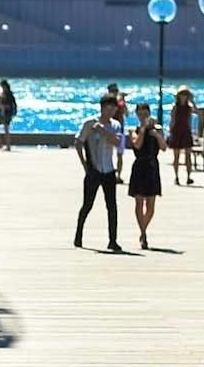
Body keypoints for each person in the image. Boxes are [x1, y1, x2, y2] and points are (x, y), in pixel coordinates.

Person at [71, 94, 123, 252]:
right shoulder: (89, 123)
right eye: (109, 108)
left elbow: (117, 142)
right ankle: (78, 235)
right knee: (87, 204)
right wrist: (85, 165)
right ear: (102, 108)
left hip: (108, 170)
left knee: (112, 206)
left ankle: (112, 240)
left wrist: (102, 130)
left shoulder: (115, 125)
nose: (111, 112)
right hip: (94, 170)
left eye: (114, 109)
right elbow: (78, 142)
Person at [128, 101, 165, 249]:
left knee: (150, 205)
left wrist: (156, 134)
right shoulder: (134, 130)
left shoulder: (157, 130)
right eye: (140, 114)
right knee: (139, 202)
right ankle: (143, 233)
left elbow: (163, 147)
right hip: (139, 165)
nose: (143, 116)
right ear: (137, 115)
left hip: (152, 166)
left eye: (145, 114)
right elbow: (136, 144)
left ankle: (143, 230)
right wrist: (143, 129)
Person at [169, 87, 197, 186]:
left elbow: (195, 112)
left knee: (188, 155)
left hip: (186, 131)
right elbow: (172, 120)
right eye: (182, 94)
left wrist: (192, 101)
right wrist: (170, 132)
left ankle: (189, 176)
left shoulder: (188, 107)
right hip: (177, 131)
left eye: (186, 95)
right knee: (176, 156)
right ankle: (176, 176)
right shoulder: (175, 106)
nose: (183, 97)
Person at [0, 79, 17, 150]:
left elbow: (10, 105)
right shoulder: (3, 93)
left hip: (6, 113)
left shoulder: (9, 94)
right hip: (1, 112)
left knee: (6, 128)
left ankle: (7, 145)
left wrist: (4, 107)